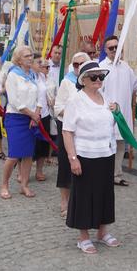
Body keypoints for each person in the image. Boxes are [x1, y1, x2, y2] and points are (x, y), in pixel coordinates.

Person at [62, 60, 119, 254]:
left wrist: (116, 111)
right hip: (85, 154)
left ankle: (102, 232)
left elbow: (111, 122)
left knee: (105, 193)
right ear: (83, 80)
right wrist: (73, 158)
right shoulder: (75, 101)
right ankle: (83, 237)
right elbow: (67, 131)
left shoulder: (105, 97)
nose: (98, 80)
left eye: (101, 76)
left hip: (106, 152)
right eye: (94, 77)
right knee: (84, 195)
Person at [100, 35, 137, 187]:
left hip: (123, 114)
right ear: (106, 50)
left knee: (120, 146)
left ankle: (116, 175)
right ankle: (103, 175)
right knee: (106, 146)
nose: (114, 50)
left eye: (117, 47)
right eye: (111, 48)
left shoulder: (126, 68)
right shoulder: (101, 68)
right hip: (106, 115)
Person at [0, 46, 41, 199]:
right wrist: (32, 115)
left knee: (28, 154)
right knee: (14, 155)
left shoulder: (33, 75)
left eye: (31, 55)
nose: (30, 58)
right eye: (26, 56)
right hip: (16, 118)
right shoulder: (13, 75)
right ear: (18, 59)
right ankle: (4, 185)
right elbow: (15, 101)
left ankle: (24, 185)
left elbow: (39, 96)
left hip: (31, 118)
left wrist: (36, 113)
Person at [54, 52, 89, 218]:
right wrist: (73, 112)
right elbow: (57, 107)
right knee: (66, 163)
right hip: (68, 128)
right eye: (76, 64)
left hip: (87, 130)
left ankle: (82, 200)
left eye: (82, 64)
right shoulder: (67, 81)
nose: (79, 67)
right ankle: (64, 200)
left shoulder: (95, 81)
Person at [32, 55, 52, 181]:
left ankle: (39, 170)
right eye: (38, 62)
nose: (41, 64)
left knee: (43, 144)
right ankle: (21, 171)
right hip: (31, 114)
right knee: (29, 144)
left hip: (44, 113)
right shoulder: (27, 77)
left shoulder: (42, 76)